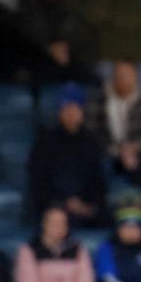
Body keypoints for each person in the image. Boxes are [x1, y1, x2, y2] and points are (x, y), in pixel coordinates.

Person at [27, 84, 108, 226]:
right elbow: (39, 182)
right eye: (66, 108)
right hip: (54, 207)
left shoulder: (92, 142)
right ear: (59, 111)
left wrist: (89, 205)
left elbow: (99, 180)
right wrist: (65, 202)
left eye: (75, 108)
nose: (71, 113)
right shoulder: (45, 143)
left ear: (82, 111)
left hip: (87, 209)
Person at [15, 0, 90, 84]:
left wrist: (64, 47)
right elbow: (27, 33)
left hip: (70, 55)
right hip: (38, 56)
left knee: (88, 78)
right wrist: (48, 48)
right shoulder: (28, 3)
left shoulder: (74, 2)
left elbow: (80, 31)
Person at [15, 205, 96, 282]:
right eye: (54, 223)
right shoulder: (29, 250)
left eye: (63, 223)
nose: (59, 227)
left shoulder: (78, 249)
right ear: (44, 224)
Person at [89, 60, 141, 183]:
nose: (124, 80)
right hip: (107, 153)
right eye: (120, 75)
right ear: (113, 78)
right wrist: (117, 150)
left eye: (129, 75)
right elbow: (90, 130)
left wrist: (134, 148)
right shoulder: (98, 100)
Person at [95, 205, 141, 282]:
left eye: (135, 227)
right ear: (118, 229)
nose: (131, 231)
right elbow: (109, 280)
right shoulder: (107, 248)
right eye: (126, 227)